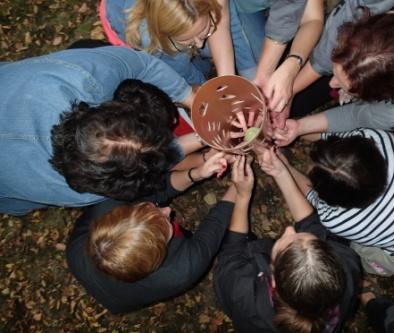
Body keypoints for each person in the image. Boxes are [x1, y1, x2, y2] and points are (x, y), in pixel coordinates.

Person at [0, 46, 204, 216]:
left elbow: (144, 64)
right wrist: (202, 138)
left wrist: (191, 100)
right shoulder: (78, 192)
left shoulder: (79, 78)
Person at [66, 154, 238, 314]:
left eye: (151, 208)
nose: (168, 209)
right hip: (116, 300)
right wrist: (239, 186)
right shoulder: (181, 270)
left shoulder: (110, 205)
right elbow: (217, 222)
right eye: (165, 226)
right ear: (160, 254)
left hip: (81, 254)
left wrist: (197, 174)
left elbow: (158, 190)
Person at [213, 155, 361, 333]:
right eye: (309, 237)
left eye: (285, 243)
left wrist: (242, 196)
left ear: (273, 279)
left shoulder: (243, 294)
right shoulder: (347, 266)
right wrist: (281, 172)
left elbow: (232, 249)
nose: (290, 229)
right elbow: (312, 224)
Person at [274, 128, 394, 277]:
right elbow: (336, 135)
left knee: (361, 248)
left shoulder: (338, 221)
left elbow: (310, 194)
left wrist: (285, 167)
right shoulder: (378, 138)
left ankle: (377, 267)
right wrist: (295, 130)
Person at [269, 0, 394, 135]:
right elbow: (324, 55)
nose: (331, 83)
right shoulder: (360, 9)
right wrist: (290, 89)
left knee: (301, 103)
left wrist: (300, 127)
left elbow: (355, 116)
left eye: (351, 91)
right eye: (336, 68)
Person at [100, 0, 263, 83]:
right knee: (194, 70)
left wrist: (244, 78)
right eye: (187, 39)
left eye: (203, 31)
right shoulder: (146, 34)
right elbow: (182, 76)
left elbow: (227, 22)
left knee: (254, 59)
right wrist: (212, 94)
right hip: (139, 27)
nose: (200, 44)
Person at [249, 0, 324, 114]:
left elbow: (313, 19)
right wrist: (263, 74)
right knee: (252, 68)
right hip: (243, 9)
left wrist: (292, 64)